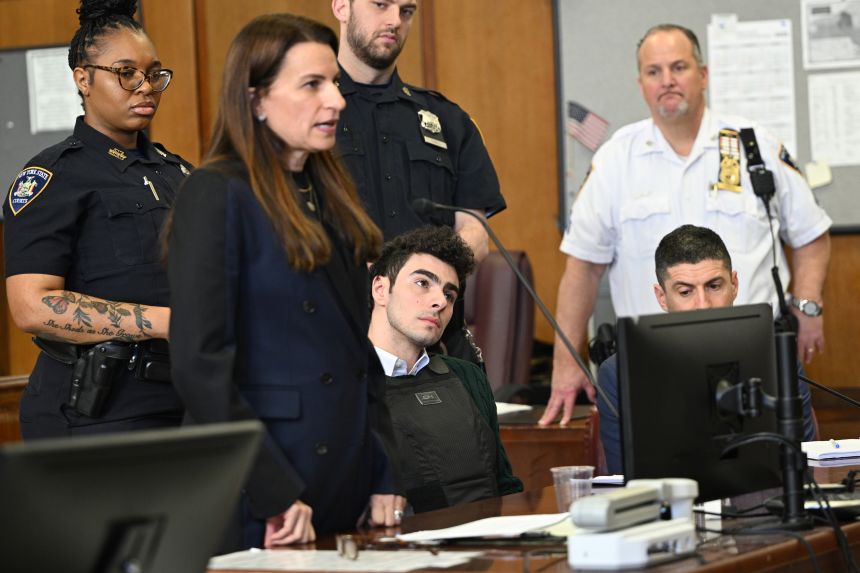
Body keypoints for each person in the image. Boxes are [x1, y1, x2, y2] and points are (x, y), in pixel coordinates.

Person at [167, 14, 397, 551]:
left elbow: (361, 361)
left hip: (345, 481)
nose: (336, 100)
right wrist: (272, 491)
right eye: (312, 85)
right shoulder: (215, 193)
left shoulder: (329, 193)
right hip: (263, 491)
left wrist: (385, 470)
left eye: (335, 83)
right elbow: (201, 368)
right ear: (256, 100)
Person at [541, 23, 832, 426]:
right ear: (640, 82)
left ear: (703, 75)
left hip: (752, 359)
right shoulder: (615, 161)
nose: (667, 81)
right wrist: (566, 359)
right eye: (654, 71)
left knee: (772, 476)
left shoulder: (755, 146)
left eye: (678, 67)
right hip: (655, 364)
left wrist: (809, 306)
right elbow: (583, 268)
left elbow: (811, 235)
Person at [3, 0, 189, 438]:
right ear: (83, 79)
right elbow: (30, 304)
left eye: (154, 74)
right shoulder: (55, 175)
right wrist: (165, 322)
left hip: (186, 399)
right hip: (99, 412)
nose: (144, 86)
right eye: (126, 73)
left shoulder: (179, 172)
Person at [331, 0, 506, 363]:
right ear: (341, 6)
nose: (395, 20)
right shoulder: (312, 116)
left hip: (436, 348)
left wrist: (421, 284)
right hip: (339, 342)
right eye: (381, 5)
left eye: (406, 10)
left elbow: (475, 234)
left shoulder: (446, 119)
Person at [597, 225, 817, 474]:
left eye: (714, 286)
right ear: (661, 297)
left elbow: (803, 462)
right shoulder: (618, 373)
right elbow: (625, 478)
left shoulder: (778, 357)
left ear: (734, 284)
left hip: (765, 504)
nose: (703, 304)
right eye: (685, 292)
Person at [368, 226, 523, 512]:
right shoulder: (348, 385)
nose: (440, 301)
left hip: (489, 546)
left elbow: (505, 485)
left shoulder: (468, 376)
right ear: (381, 289)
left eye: (449, 295)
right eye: (423, 283)